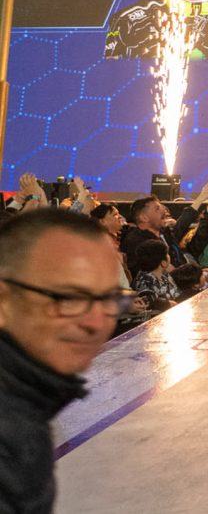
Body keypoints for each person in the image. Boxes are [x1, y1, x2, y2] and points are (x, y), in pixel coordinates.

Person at [0, 209, 130, 513]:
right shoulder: (9, 436)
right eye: (70, 298)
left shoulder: (25, 403)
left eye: (109, 300)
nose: (96, 323)